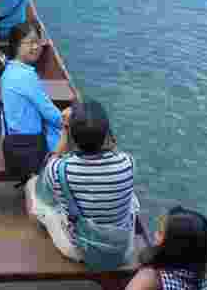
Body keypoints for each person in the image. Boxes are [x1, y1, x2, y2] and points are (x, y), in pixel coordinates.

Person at [25, 99, 136, 266]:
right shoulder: (128, 162)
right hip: (122, 249)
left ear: (72, 135)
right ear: (107, 133)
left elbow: (43, 195)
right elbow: (113, 149)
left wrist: (64, 131)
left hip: (81, 250)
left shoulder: (58, 169)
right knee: (131, 197)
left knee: (33, 185)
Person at [0, 21, 67, 156]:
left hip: (12, 144)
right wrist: (69, 123)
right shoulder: (26, 75)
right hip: (29, 147)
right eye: (30, 43)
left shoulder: (8, 69)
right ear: (17, 45)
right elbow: (50, 113)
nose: (36, 47)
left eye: (38, 42)